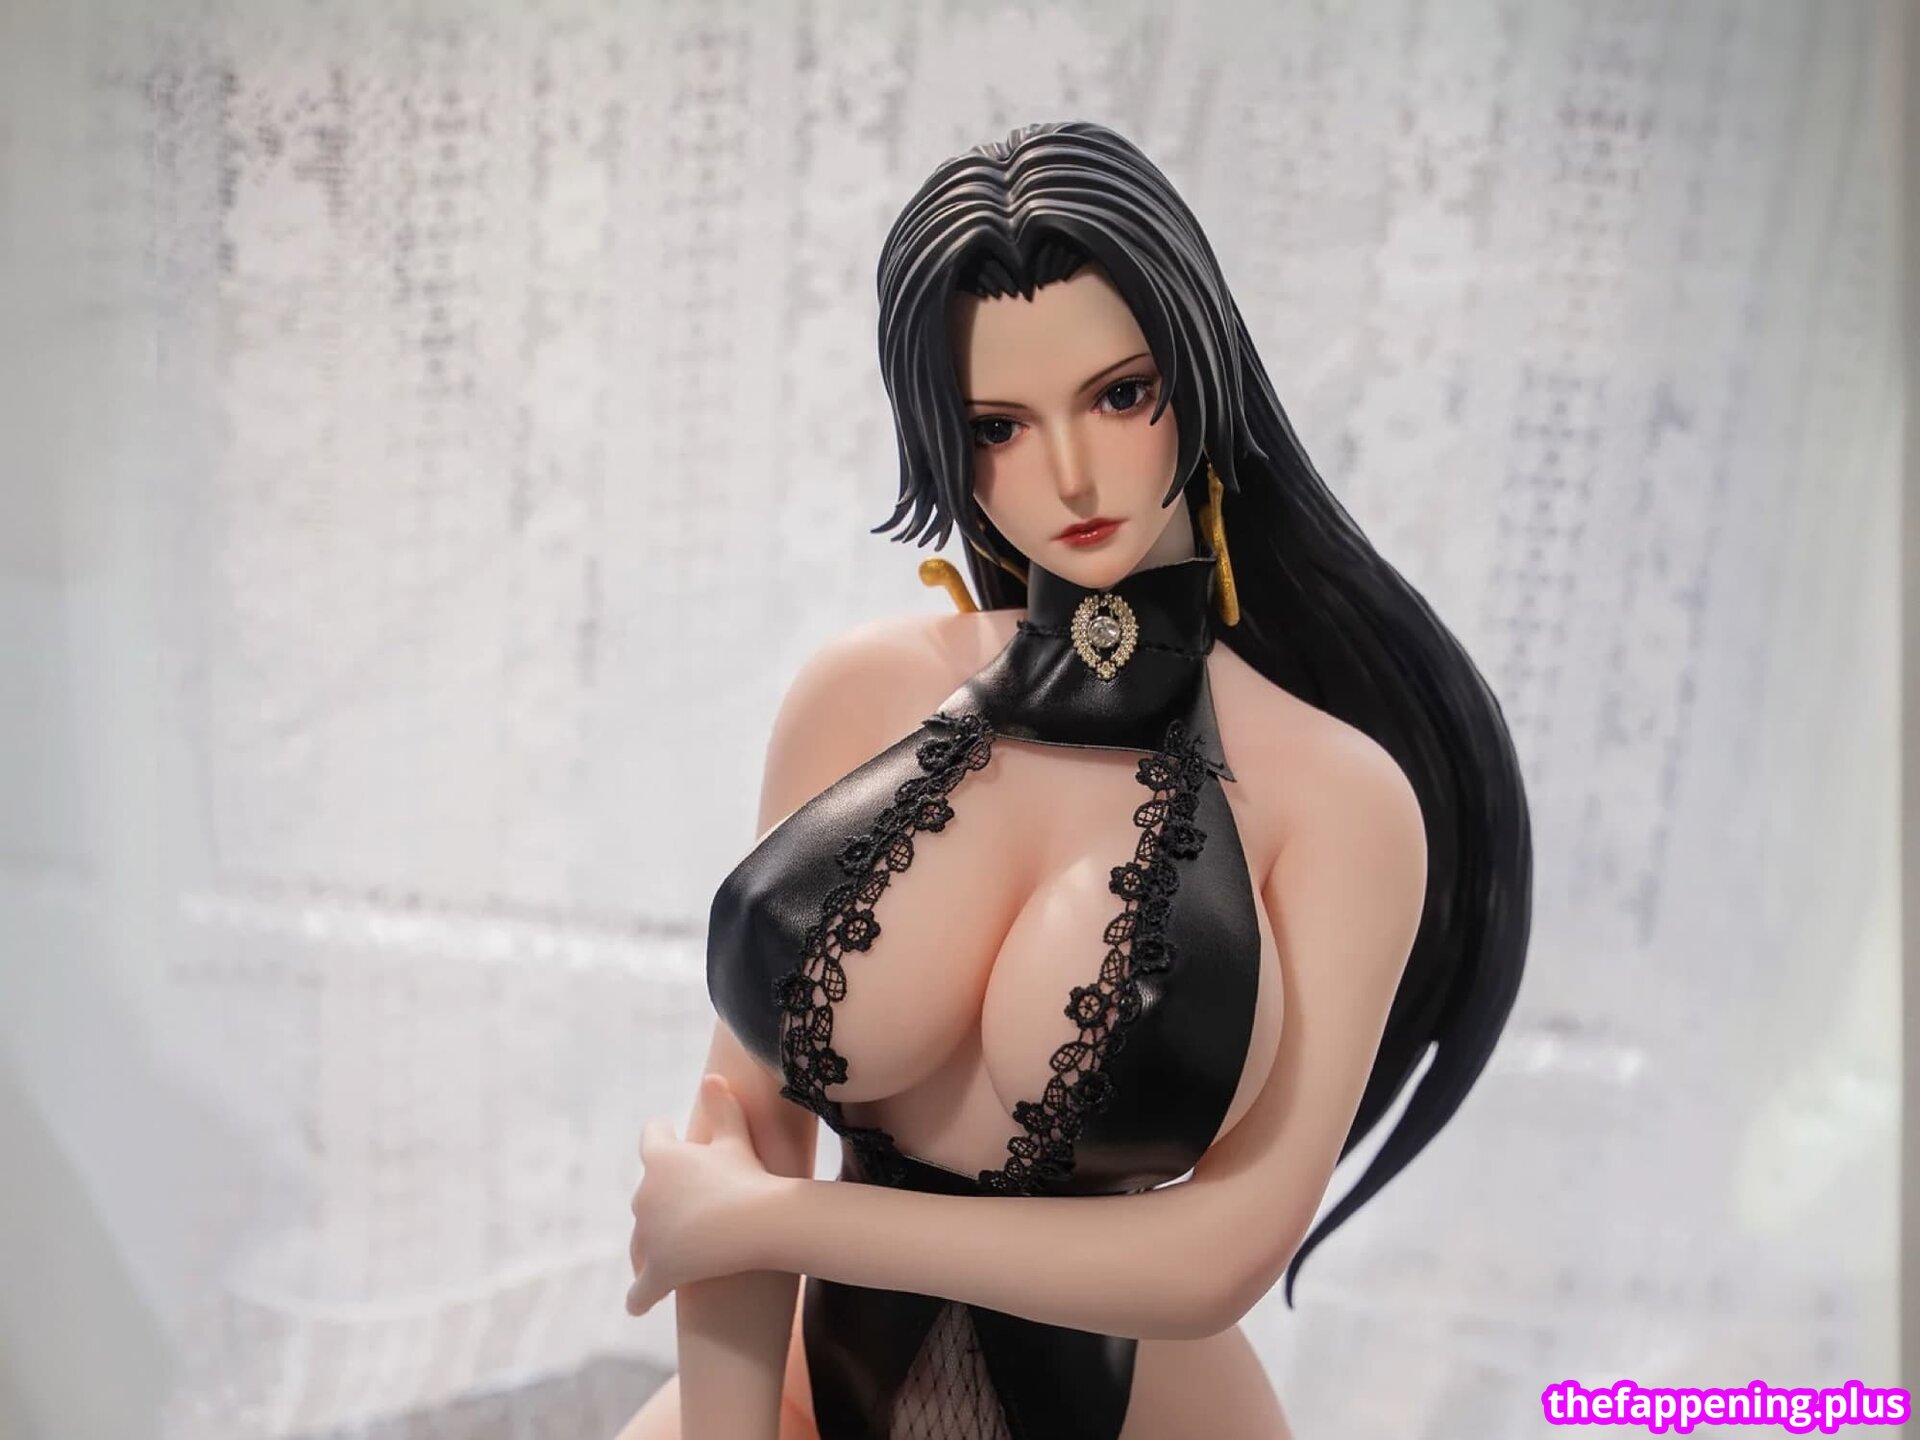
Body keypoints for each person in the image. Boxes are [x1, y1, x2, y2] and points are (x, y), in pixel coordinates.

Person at [617, 120, 1532, 1440]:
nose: (1069, 475)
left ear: (1200, 372)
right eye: (997, 423)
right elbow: (739, 1136)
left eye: (1120, 394)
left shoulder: (1338, 797)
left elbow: (1219, 1253)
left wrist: (784, 1224)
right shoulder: (858, 696)